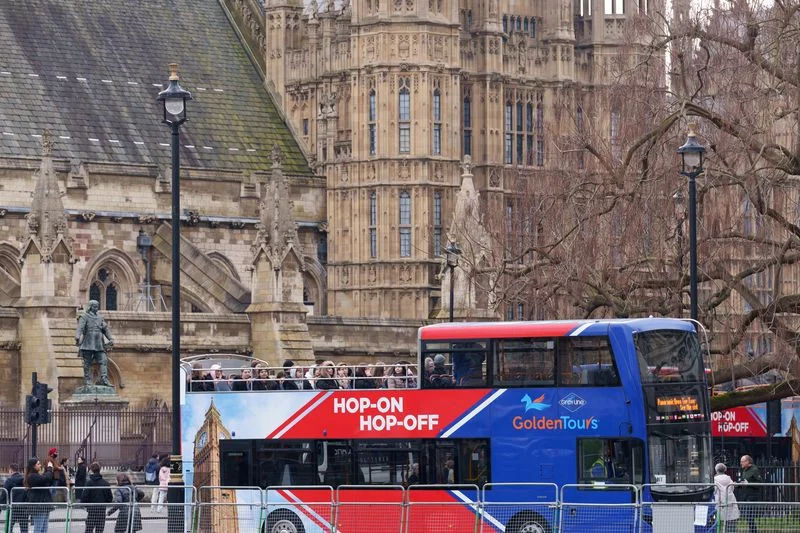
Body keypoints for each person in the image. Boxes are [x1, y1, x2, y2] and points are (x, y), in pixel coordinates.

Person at [23, 457, 54, 533]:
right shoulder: (32, 476)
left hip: (44, 504)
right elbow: (46, 478)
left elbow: (48, 480)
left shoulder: (37, 475)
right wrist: (49, 468)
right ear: (33, 466)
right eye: (38, 464)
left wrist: (47, 471)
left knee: (44, 528)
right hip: (39, 505)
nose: (40, 465)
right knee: (38, 528)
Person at [80, 462, 112, 533]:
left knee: (89, 529)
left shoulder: (89, 483)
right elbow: (110, 498)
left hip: (91, 510)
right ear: (99, 470)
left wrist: (86, 505)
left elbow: (84, 496)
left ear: (91, 470)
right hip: (101, 510)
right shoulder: (106, 483)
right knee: (99, 530)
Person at [737, 455, 763, 533]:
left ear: (748, 461)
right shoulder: (744, 470)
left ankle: (753, 531)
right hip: (744, 496)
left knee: (750, 515)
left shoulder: (754, 470)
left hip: (751, 496)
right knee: (748, 516)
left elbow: (760, 483)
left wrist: (748, 483)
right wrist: (737, 484)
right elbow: (743, 481)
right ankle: (752, 530)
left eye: (742, 461)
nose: (741, 463)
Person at [714, 463, 740, 529]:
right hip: (730, 500)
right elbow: (732, 488)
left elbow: (714, 490)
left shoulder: (715, 479)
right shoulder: (729, 478)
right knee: (731, 521)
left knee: (719, 520)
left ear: (716, 470)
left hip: (720, 501)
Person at [4, 463, 28, 533]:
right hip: (23, 507)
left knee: (9, 527)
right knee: (24, 528)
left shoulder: (9, 480)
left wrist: (2, 506)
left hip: (13, 507)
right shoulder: (24, 480)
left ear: (11, 470)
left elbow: (4, 494)